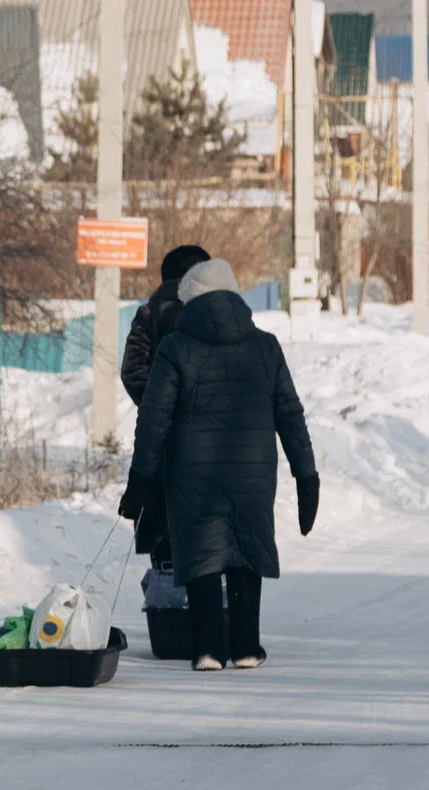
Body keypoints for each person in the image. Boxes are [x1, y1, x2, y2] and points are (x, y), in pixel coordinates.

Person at [119, 259, 319, 671]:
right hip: (253, 470)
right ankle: (246, 647)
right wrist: (306, 475)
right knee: (247, 547)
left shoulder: (175, 347)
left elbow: (153, 420)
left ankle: (209, 648)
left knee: (202, 551)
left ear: (189, 300)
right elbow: (290, 413)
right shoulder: (265, 346)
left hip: (193, 472)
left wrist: (139, 481)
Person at [119, 245, 210, 597]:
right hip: (210, 437)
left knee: (164, 518)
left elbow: (132, 371)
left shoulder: (150, 313)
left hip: (160, 438)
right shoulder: (215, 314)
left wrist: (160, 403)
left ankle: (169, 602)